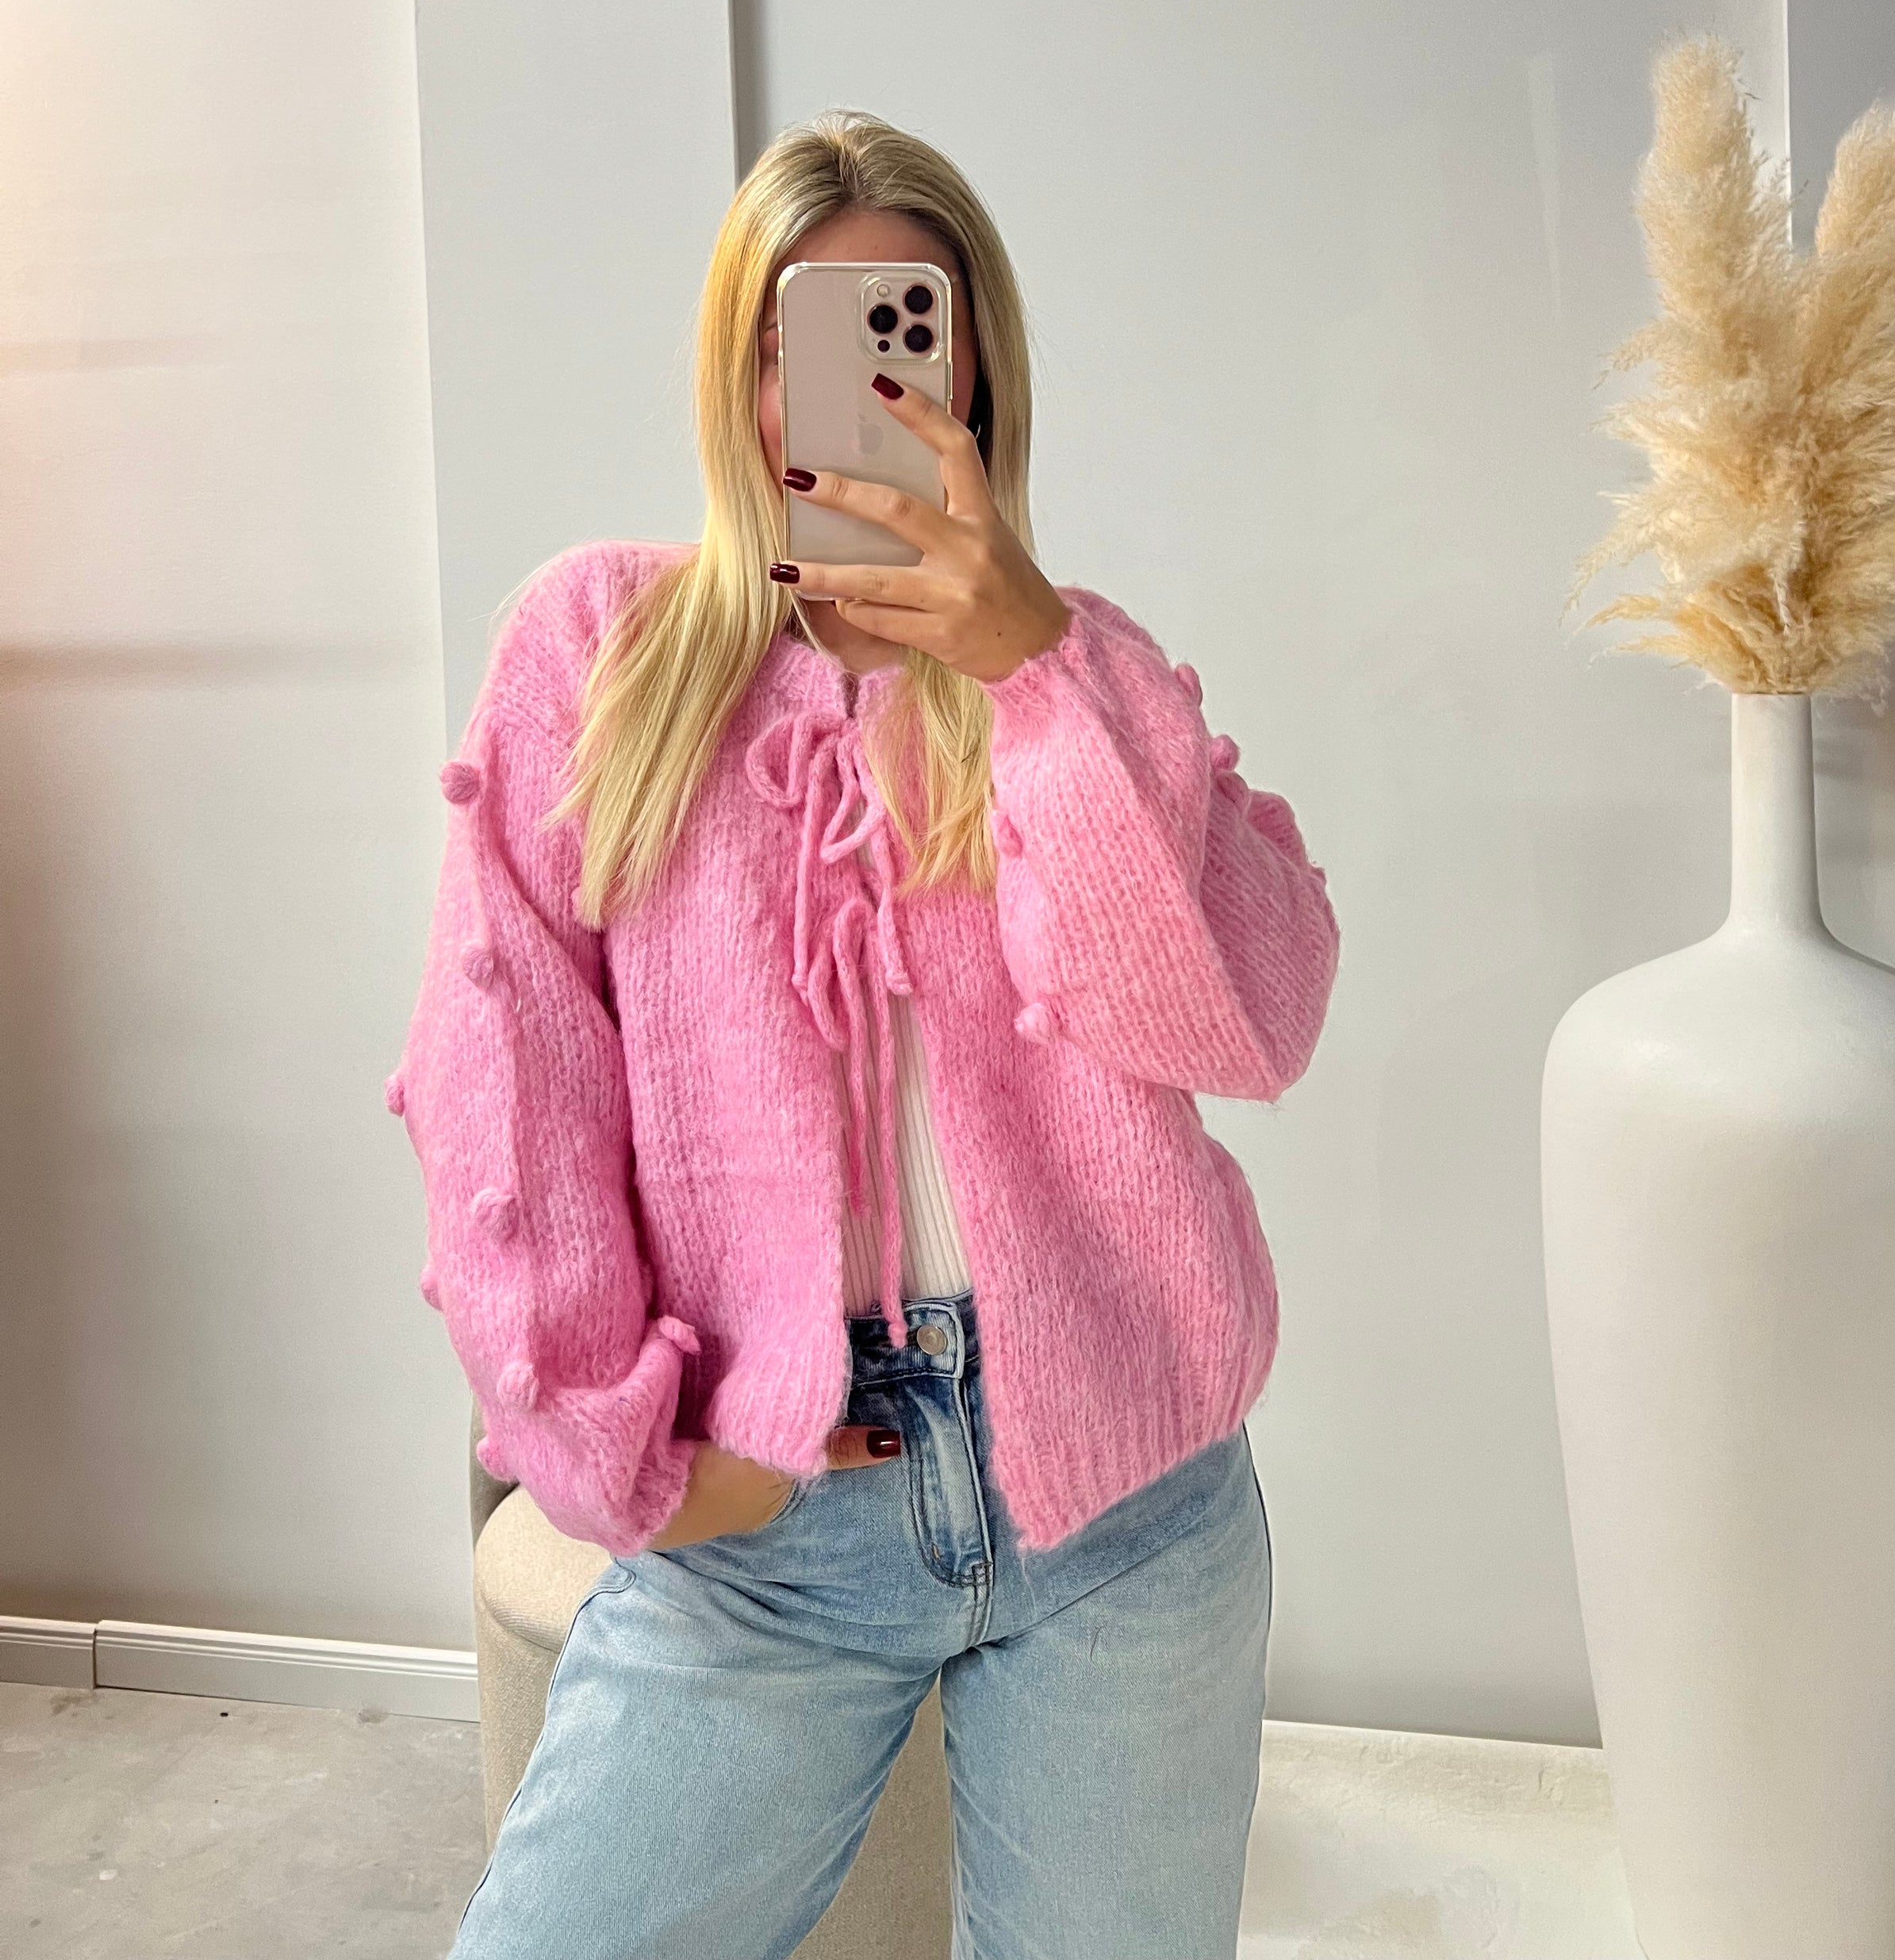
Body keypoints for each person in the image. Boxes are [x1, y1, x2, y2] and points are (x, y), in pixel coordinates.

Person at [391, 110, 1341, 1958]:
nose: (840, 385)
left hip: (1132, 1509)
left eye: (904, 325)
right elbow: (505, 1083)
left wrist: (1036, 664)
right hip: (772, 1528)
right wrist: (629, 1447)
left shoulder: (1078, 663)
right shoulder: (602, 651)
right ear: (732, 374)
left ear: (974, 365)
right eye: (789, 338)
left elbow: (1252, 1014)